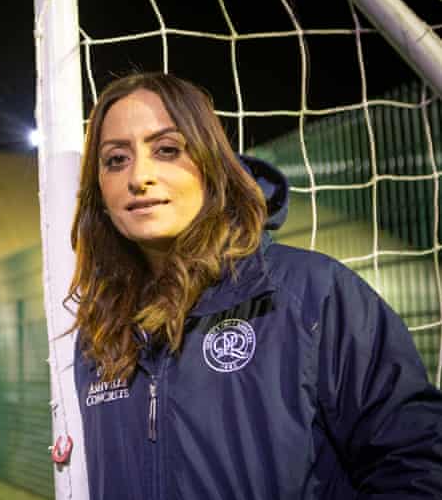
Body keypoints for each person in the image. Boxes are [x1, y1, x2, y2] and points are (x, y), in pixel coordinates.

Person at [68, 72, 442, 499]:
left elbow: (415, 465)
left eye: (167, 150)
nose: (139, 177)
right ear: (99, 189)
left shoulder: (312, 294)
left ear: (211, 164)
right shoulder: (100, 331)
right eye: (116, 159)